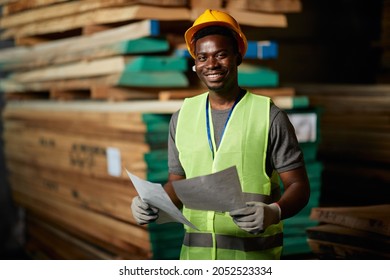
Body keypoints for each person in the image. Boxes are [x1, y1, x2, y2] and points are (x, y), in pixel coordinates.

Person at [131, 9, 310, 260]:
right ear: (195, 64)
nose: (211, 64)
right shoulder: (182, 117)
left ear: (238, 56)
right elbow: (176, 185)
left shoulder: (269, 116)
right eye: (202, 57)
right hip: (195, 261)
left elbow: (299, 186)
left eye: (221, 54)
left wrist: (274, 211)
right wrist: (151, 203)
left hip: (253, 262)